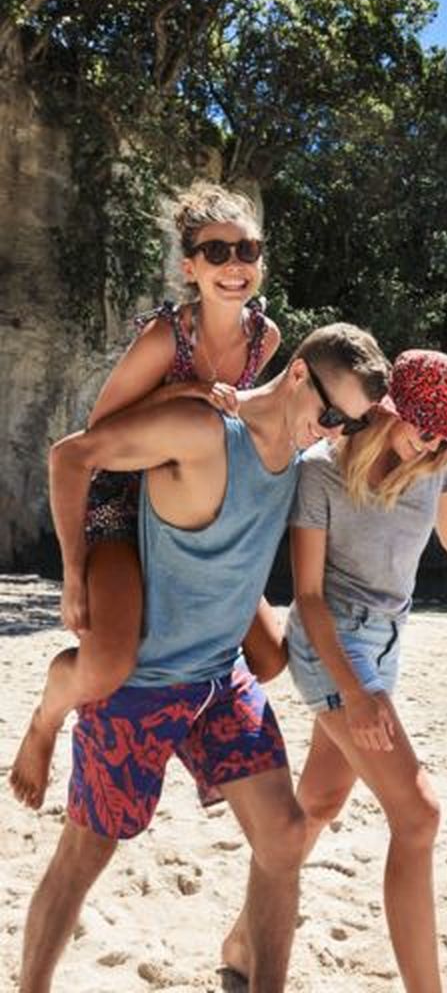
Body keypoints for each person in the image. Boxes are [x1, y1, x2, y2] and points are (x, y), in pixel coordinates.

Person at [17, 321, 390, 993]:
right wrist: (75, 573)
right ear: (299, 374)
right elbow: (73, 456)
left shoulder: (305, 463)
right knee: (87, 851)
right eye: (330, 413)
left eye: (348, 425)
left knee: (282, 839)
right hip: (140, 682)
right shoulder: (204, 431)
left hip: (221, 680)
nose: (333, 431)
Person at [222, 349, 447, 993]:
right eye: (421, 427)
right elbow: (311, 597)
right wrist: (355, 692)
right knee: (419, 815)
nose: (429, 444)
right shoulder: (320, 474)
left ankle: (242, 940)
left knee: (319, 803)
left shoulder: (437, 462)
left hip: (387, 645)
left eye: (442, 435)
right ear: (385, 409)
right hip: (331, 648)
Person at [10, 182, 284, 811]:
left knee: (267, 657)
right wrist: (74, 574)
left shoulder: (264, 339)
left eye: (248, 249)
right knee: (105, 666)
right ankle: (47, 718)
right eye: (216, 253)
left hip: (197, 520)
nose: (235, 265)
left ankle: (189, 728)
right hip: (124, 511)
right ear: (189, 267)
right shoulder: (167, 338)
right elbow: (92, 442)